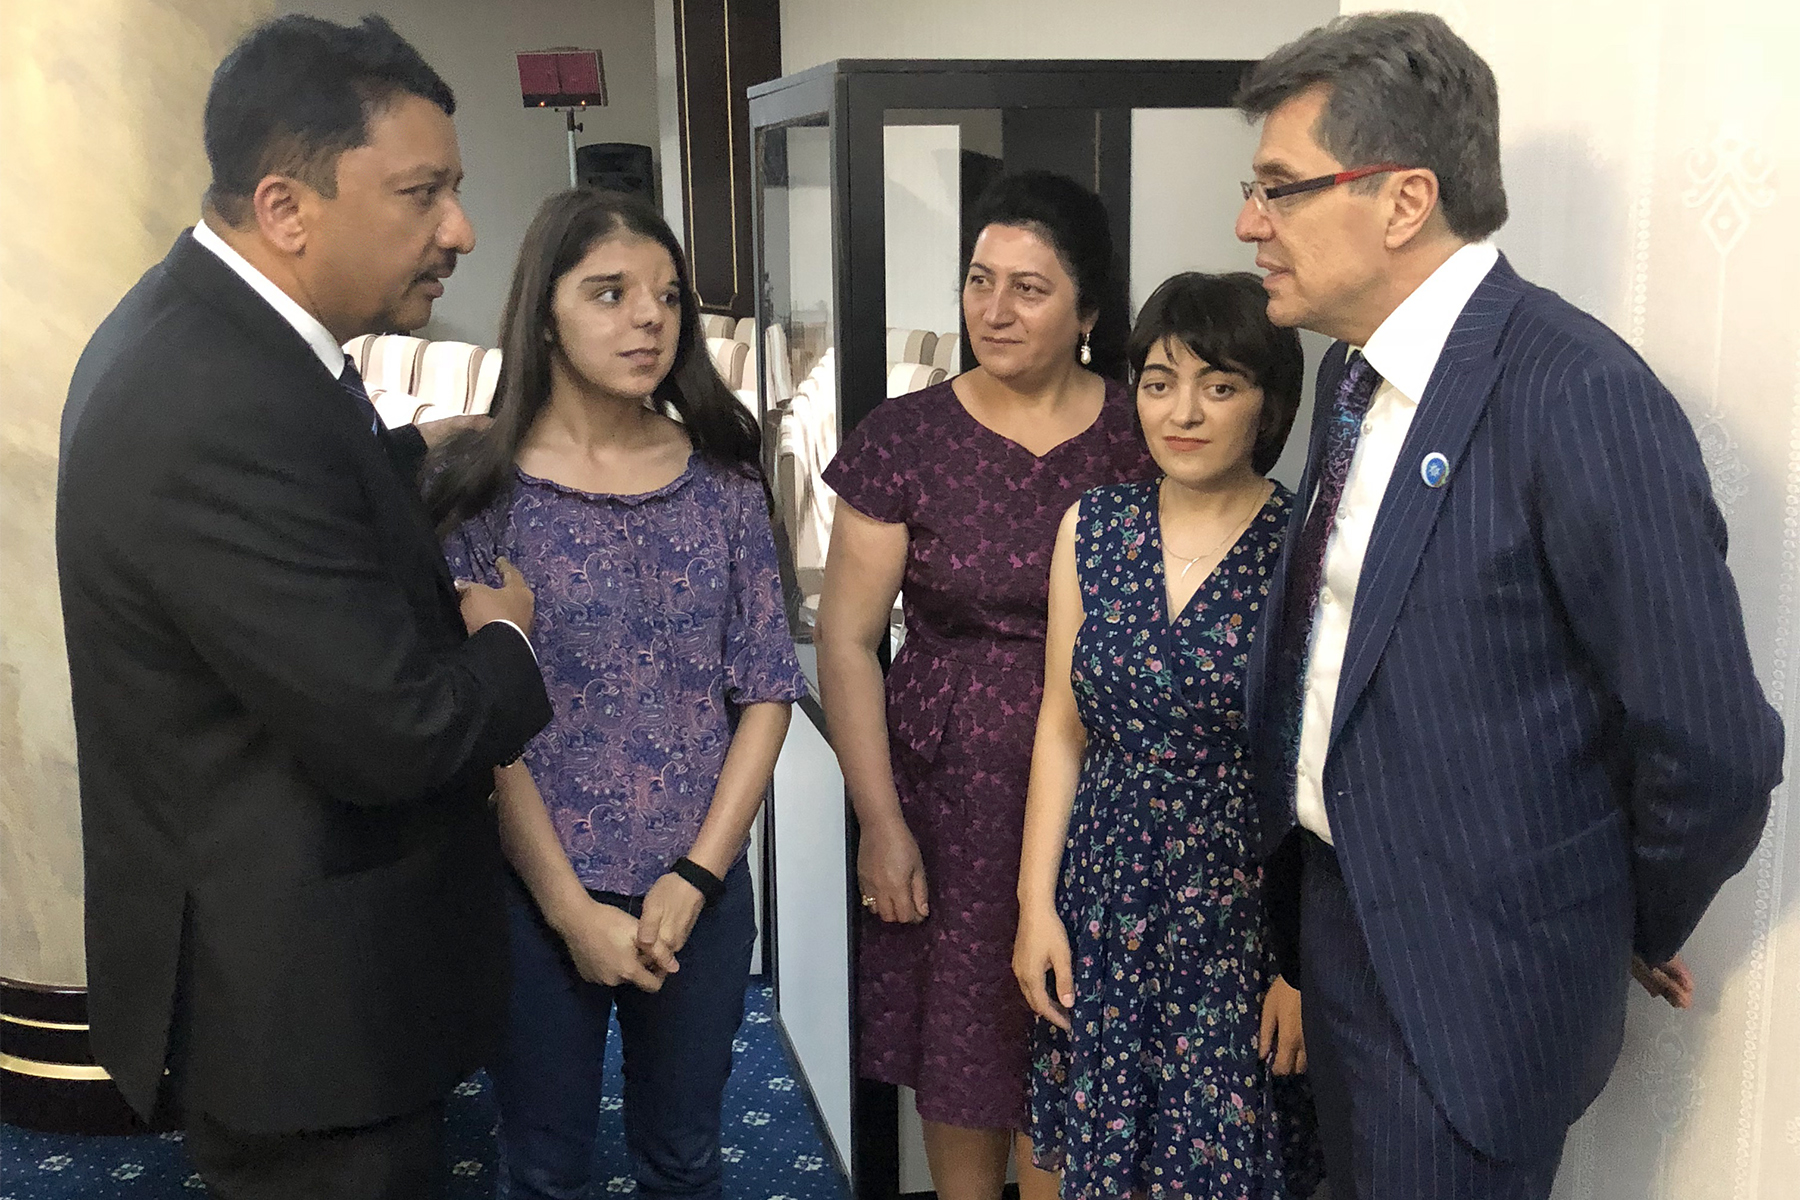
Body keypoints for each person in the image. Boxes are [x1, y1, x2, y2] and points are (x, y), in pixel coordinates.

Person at [1234, 13, 1783, 1199]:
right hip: (1338, 925)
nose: (1248, 225)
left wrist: (1611, 918)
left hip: (1472, 992)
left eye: (1278, 190)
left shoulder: (1579, 399)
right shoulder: (1353, 370)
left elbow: (1719, 748)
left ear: (1402, 199)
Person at [55, 15, 552, 1200]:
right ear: (287, 209)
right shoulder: (213, 404)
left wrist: (404, 459)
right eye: (422, 194)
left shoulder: (215, 328)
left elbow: (294, 497)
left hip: (303, 962)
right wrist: (511, 639)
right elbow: (399, 732)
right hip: (301, 1013)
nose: (461, 232)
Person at [423, 188, 808, 1200]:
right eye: (610, 292)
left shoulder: (724, 482)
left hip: (700, 888)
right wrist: (568, 909)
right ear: (543, 309)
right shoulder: (479, 494)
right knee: (543, 1167)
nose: (650, 317)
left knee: (684, 1159)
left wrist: (699, 876)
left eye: (668, 297)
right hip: (533, 891)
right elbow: (484, 728)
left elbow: (766, 688)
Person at [815, 170, 1155, 1200]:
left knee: (1076, 1054)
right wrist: (879, 822)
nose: (992, 310)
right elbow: (846, 641)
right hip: (945, 793)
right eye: (978, 279)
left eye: (1030, 288)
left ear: (1090, 311)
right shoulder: (903, 438)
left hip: (1104, 791)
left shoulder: (1148, 435)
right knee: (961, 1057)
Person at [1013, 272, 1319, 1200]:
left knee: (1223, 1166)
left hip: (1237, 915)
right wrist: (1036, 909)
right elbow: (1061, 731)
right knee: (1103, 1161)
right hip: (1103, 893)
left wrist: (1300, 966)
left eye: (1219, 385)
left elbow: (1325, 767)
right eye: (1158, 380)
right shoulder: (1092, 527)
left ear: (1268, 403)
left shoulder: (1305, 544)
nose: (1183, 410)